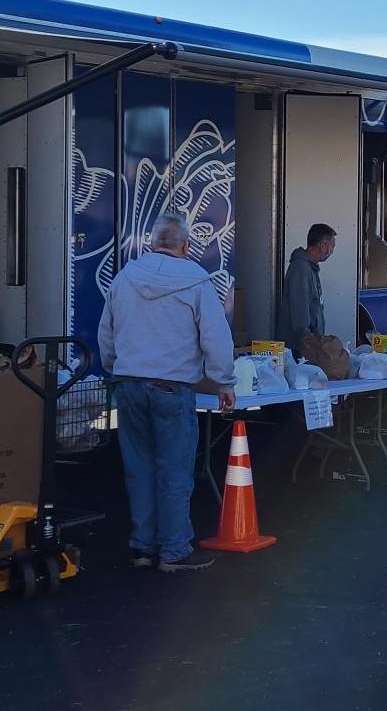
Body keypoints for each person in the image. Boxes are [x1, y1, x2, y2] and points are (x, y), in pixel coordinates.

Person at [98, 213, 236, 573]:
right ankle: (174, 550)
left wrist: (117, 366)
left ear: (151, 243)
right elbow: (216, 337)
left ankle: (142, 546)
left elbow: (106, 335)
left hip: (128, 384)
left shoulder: (124, 279)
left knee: (138, 468)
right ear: (185, 246)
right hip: (171, 388)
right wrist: (224, 381)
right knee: (174, 470)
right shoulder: (197, 282)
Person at [279, 223, 336, 347]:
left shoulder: (310, 268)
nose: (332, 251)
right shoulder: (301, 269)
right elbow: (300, 313)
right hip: (301, 350)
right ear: (323, 246)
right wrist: (309, 344)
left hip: (308, 346)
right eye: (332, 246)